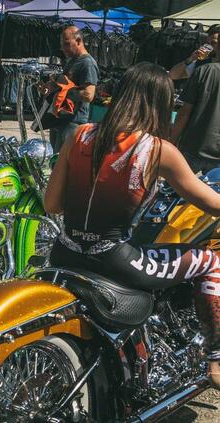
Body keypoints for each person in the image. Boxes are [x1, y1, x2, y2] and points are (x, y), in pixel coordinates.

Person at [44, 62, 220, 387]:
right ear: (161, 103)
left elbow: (52, 204)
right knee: (211, 261)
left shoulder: (79, 135)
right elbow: (212, 203)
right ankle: (216, 359)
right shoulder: (157, 150)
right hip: (114, 260)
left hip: (64, 252)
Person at [171, 39, 220, 174]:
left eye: (214, 42)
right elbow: (174, 74)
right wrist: (191, 59)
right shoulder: (202, 67)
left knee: (174, 185)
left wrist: (172, 141)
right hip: (204, 149)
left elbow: (184, 112)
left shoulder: (204, 71)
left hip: (194, 146)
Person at [48, 26, 99, 153]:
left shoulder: (87, 63)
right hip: (61, 119)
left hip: (73, 122)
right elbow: (66, 83)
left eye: (66, 44)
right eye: (62, 45)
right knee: (55, 158)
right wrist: (52, 86)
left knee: (63, 159)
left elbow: (88, 95)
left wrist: (65, 91)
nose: (63, 48)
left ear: (78, 41)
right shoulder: (72, 60)